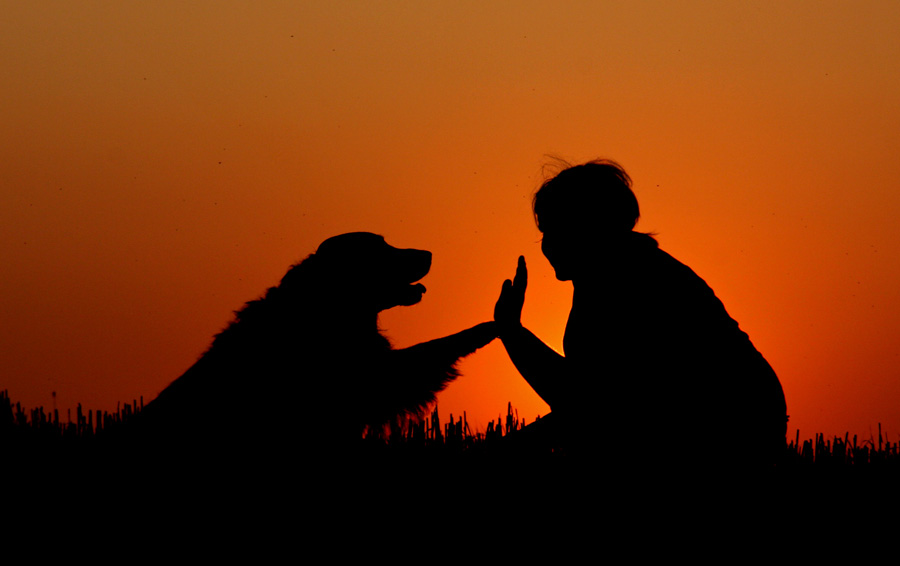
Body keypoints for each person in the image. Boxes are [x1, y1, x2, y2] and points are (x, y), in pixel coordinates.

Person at [494, 159, 787, 467]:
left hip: (722, 433)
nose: (549, 246)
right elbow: (593, 403)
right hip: (725, 422)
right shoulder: (616, 271)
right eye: (546, 234)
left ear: (591, 228)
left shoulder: (630, 280)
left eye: (560, 231)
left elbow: (589, 405)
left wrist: (512, 332)